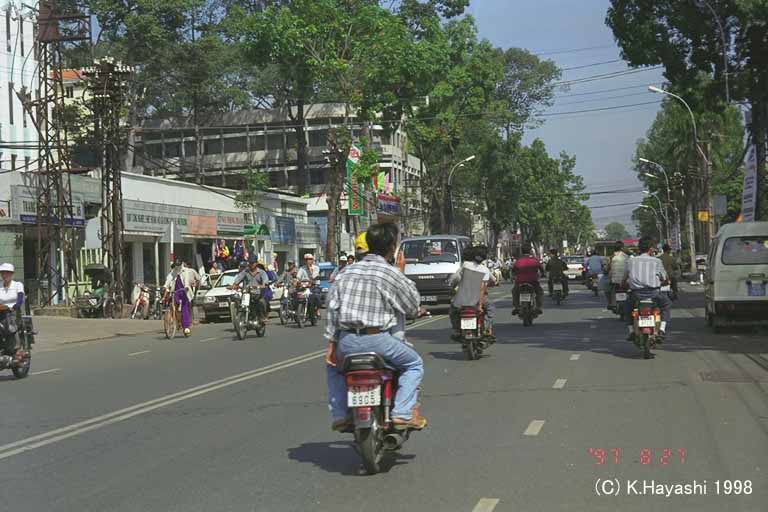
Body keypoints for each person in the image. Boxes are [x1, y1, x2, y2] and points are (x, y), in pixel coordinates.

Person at [324, 223, 426, 432]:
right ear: (392, 247)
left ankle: (341, 414)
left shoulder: (345, 273)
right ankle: (402, 413)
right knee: (414, 364)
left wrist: (332, 345)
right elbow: (412, 307)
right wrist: (401, 272)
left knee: (334, 367)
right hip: (379, 340)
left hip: (347, 341)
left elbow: (332, 310)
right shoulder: (391, 273)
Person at [623, 236, 672, 341]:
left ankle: (631, 331)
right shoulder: (656, 261)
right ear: (650, 248)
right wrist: (665, 282)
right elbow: (664, 277)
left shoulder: (631, 261)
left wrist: (624, 284)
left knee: (627, 307)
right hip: (654, 293)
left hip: (636, 294)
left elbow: (625, 277)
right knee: (666, 305)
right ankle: (662, 330)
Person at [450, 245, 495, 338]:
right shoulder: (485, 269)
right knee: (490, 308)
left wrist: (452, 288)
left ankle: (456, 329)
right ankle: (487, 328)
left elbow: (454, 279)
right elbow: (483, 288)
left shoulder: (465, 265)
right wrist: (480, 305)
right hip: (478, 298)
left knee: (453, 310)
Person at [230, 256, 271, 322]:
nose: (251, 264)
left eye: (252, 263)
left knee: (261, 302)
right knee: (238, 302)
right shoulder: (245, 271)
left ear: (256, 263)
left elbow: (265, 284)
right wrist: (233, 286)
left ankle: (262, 317)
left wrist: (260, 286)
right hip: (247, 294)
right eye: (250, 263)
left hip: (258, 294)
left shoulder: (262, 272)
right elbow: (238, 280)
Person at [163, 259, 196, 336]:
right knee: (174, 304)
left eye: (179, 265)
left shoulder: (186, 271)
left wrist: (187, 286)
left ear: (181, 264)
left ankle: (186, 326)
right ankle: (175, 318)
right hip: (176, 291)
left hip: (184, 290)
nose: (177, 267)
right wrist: (165, 286)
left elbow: (186, 280)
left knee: (184, 307)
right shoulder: (174, 271)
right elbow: (169, 278)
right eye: (176, 265)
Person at [512, 244, 544, 315]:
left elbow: (513, 271)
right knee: (539, 292)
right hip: (533, 281)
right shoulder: (534, 260)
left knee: (515, 292)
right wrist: (542, 274)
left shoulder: (518, 261)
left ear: (522, 251)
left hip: (520, 281)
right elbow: (541, 269)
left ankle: (517, 307)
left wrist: (514, 276)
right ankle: (538, 307)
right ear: (530, 251)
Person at [0, 263, 24, 358]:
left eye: (7, 273)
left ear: (11, 274)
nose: (5, 275)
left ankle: (17, 348)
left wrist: (15, 305)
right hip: (1, 311)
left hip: (13, 311)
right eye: (3, 273)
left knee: (11, 326)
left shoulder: (18, 285)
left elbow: (20, 298)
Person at [297, 253, 322, 319]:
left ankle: (317, 309)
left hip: (314, 286)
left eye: (310, 259)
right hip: (304, 286)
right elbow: (298, 277)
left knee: (317, 296)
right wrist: (296, 281)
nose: (308, 261)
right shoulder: (302, 268)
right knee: (295, 295)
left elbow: (314, 276)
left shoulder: (316, 268)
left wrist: (309, 269)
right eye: (307, 259)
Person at [606, 241, 628, 309]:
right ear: (622, 248)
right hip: (625, 280)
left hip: (614, 281)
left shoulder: (612, 257)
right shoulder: (626, 256)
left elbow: (607, 268)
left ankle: (611, 303)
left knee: (607, 290)